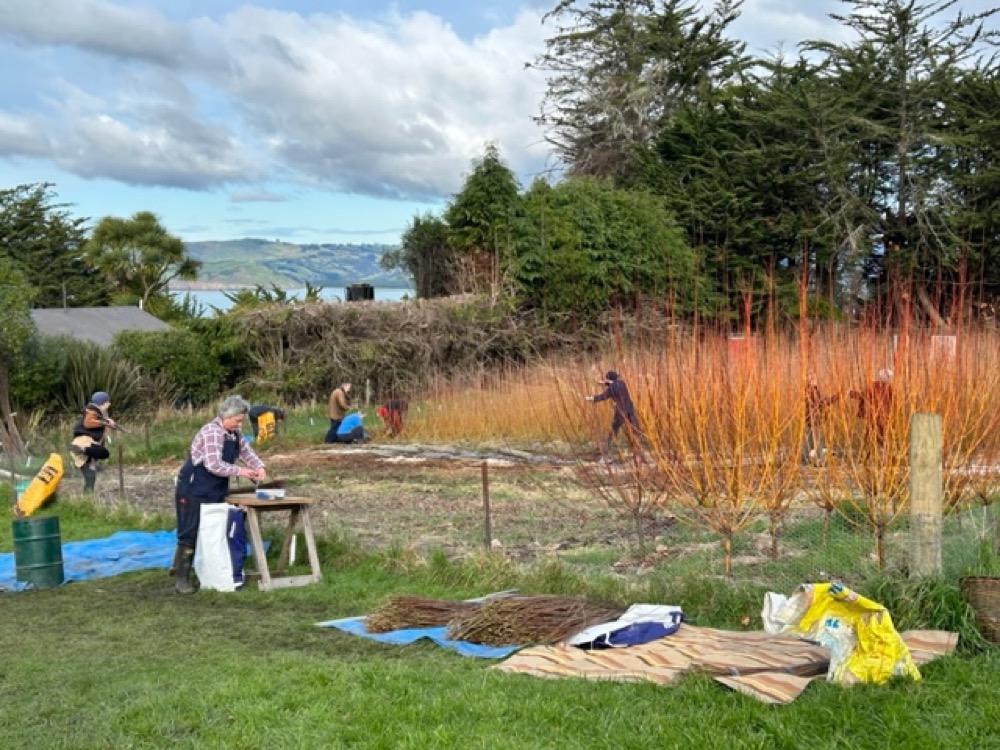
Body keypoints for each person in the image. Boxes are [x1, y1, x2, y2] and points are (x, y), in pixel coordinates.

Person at [172, 395, 266, 594]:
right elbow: (213, 465)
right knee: (190, 530)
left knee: (211, 529)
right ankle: (182, 579)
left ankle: (209, 573)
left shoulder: (235, 433)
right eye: (238, 420)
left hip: (215, 487)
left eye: (241, 420)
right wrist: (241, 471)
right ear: (226, 416)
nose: (240, 424)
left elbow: (246, 453)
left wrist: (259, 467)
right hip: (193, 486)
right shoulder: (212, 432)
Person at [69, 391, 116, 493]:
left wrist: (107, 423)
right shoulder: (92, 410)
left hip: (83, 448)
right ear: (102, 403)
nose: (109, 404)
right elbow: (88, 423)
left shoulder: (97, 413)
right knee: (104, 453)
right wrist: (106, 423)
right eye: (107, 402)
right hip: (84, 441)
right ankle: (82, 449)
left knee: (90, 477)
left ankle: (87, 500)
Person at [585, 370, 643, 449]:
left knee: (615, 427)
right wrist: (601, 383)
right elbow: (612, 383)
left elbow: (602, 397)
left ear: (608, 378)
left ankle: (609, 444)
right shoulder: (622, 383)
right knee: (635, 426)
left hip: (621, 410)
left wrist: (591, 398)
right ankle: (639, 442)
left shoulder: (611, 389)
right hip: (630, 407)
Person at [849, 368, 894, 451]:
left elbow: (862, 396)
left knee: (872, 434)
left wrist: (852, 394)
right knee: (873, 434)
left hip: (874, 415)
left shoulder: (877, 386)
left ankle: (882, 450)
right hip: (880, 416)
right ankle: (882, 450)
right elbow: (890, 403)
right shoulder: (887, 388)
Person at [802, 372, 840, 465]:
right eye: (813, 378)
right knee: (817, 439)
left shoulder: (810, 390)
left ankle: (804, 459)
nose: (816, 380)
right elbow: (820, 402)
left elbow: (820, 401)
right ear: (810, 380)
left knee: (809, 439)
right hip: (814, 418)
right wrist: (834, 398)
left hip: (810, 418)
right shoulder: (811, 390)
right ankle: (819, 460)